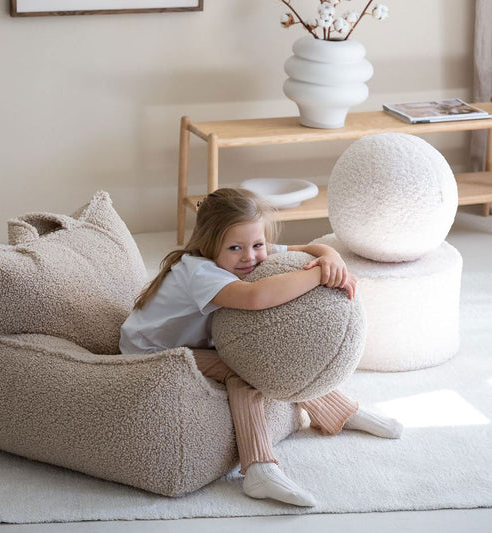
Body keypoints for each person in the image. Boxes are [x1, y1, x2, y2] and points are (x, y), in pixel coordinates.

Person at [120, 188, 403, 507]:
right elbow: (256, 298)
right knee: (246, 368)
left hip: (187, 345)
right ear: (209, 245)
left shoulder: (248, 251)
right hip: (150, 355)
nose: (250, 257)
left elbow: (308, 248)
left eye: (257, 245)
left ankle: (339, 411)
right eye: (235, 248)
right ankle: (259, 470)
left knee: (266, 354)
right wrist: (320, 276)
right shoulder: (199, 272)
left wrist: (330, 257)